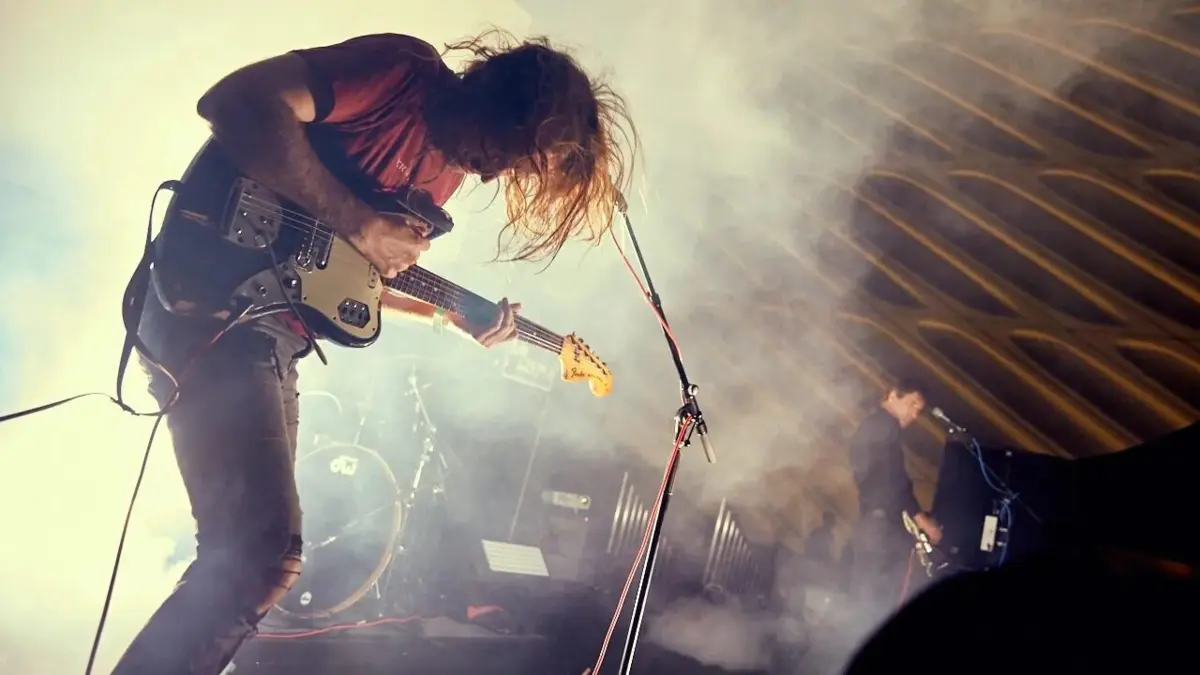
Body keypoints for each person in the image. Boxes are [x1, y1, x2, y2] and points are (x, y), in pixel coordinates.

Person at [113, 31, 637, 675]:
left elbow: (347, 274)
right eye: (502, 149)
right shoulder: (401, 72)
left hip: (270, 331)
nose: (494, 172)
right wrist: (357, 220)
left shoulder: (443, 177)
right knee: (257, 554)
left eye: (511, 168)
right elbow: (235, 100)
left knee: (251, 558)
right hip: (213, 295)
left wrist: (452, 318)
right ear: (502, 98)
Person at [847, 377, 941, 611]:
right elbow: (893, 479)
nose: (915, 415)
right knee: (879, 598)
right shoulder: (884, 426)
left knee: (869, 595)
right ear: (892, 395)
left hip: (874, 522)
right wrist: (921, 519)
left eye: (919, 410)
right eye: (912, 404)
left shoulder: (875, 426)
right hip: (881, 526)